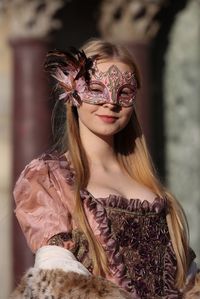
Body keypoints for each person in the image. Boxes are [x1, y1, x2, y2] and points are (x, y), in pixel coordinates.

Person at [12, 38, 199, 299]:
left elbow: (188, 280)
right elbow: (57, 277)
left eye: (124, 92)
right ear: (72, 92)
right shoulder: (50, 180)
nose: (111, 103)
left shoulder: (154, 191)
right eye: (96, 88)